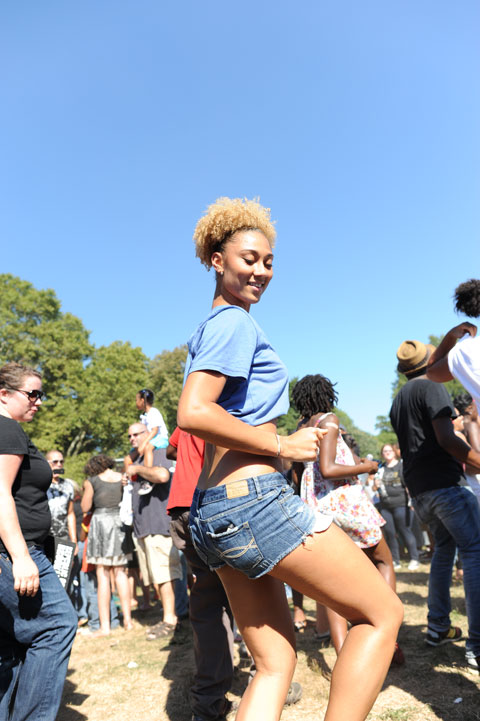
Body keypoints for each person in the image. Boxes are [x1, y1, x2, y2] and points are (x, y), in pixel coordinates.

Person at [177, 197, 403, 721]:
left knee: (276, 662)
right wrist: (282, 445)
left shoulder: (212, 326)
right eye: (249, 258)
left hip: (215, 510)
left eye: (269, 261)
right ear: (217, 259)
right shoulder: (234, 323)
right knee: (384, 613)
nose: (261, 270)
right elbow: (193, 411)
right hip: (254, 504)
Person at [291, 374, 401, 659]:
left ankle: (343, 654)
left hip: (315, 503)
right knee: (382, 559)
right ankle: (390, 638)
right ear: (326, 395)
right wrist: (365, 467)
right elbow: (328, 468)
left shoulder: (302, 427)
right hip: (342, 500)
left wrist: (358, 463)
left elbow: (301, 470)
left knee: (334, 581)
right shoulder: (328, 420)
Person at [390, 339, 480, 672]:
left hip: (420, 490)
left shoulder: (399, 399)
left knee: (444, 551)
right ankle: (477, 646)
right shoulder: (432, 386)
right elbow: (446, 437)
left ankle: (438, 627)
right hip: (445, 485)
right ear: (430, 361)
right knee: (474, 551)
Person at [0, 362, 77, 720]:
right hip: (15, 553)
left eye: (40, 394)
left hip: (15, 552)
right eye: (32, 394)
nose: (39, 401)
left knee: (11, 645)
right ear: (4, 394)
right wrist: (21, 556)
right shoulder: (7, 430)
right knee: (57, 625)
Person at [124, 423, 182, 637]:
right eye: (129, 436)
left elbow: (162, 476)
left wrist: (138, 470)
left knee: (166, 574)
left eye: (136, 434)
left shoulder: (159, 453)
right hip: (143, 528)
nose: (132, 439)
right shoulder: (137, 459)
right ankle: (169, 615)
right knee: (156, 577)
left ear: (149, 434)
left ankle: (171, 619)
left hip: (159, 525)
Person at [81, 454, 133, 635]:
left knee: (102, 574)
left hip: (101, 523)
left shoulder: (92, 481)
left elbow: (85, 507)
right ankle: (128, 620)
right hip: (119, 522)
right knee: (120, 572)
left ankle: (105, 627)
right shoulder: (123, 477)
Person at [375, 444, 420, 570]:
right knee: (390, 534)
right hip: (385, 506)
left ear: (394, 452)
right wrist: (375, 484)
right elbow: (375, 488)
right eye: (385, 451)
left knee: (405, 531)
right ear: (382, 454)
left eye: (389, 450)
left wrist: (411, 502)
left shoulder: (401, 465)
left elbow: (408, 485)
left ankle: (414, 558)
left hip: (402, 504)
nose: (387, 453)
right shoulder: (381, 468)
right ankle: (395, 560)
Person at [134, 389, 169, 495]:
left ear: (142, 400)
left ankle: (148, 477)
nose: (135, 402)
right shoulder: (144, 416)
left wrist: (144, 443)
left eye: (136, 400)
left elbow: (155, 430)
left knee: (148, 447)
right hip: (153, 439)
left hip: (161, 438)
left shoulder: (153, 412)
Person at [45, 450, 77, 547]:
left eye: (61, 462)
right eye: (55, 462)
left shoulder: (68, 485)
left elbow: (70, 513)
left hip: (63, 536)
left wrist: (74, 540)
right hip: (43, 537)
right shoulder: (40, 484)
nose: (59, 465)